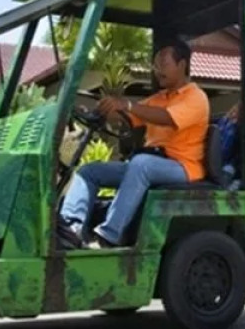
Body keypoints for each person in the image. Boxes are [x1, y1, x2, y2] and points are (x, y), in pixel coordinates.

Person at [57, 39, 210, 248]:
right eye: (155, 66)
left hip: (183, 167)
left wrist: (127, 105)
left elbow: (166, 117)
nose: (157, 71)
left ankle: (109, 236)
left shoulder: (196, 98)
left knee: (141, 164)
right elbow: (127, 117)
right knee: (89, 171)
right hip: (151, 163)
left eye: (163, 64)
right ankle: (71, 230)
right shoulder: (158, 98)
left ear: (182, 65)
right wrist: (101, 111)